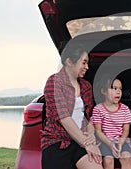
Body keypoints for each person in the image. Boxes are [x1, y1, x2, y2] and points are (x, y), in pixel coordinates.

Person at [41, 38, 103, 169]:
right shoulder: (54, 82)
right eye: (84, 62)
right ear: (69, 61)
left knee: (96, 165)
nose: (87, 67)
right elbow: (64, 118)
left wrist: (91, 135)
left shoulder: (86, 86)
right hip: (57, 142)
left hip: (80, 142)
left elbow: (89, 117)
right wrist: (87, 144)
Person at [91, 75, 131, 169]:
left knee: (126, 158)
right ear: (103, 91)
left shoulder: (125, 109)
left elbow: (126, 130)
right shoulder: (98, 109)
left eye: (120, 89)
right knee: (108, 160)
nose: (118, 91)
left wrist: (121, 143)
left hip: (122, 141)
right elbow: (98, 131)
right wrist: (110, 144)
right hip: (104, 141)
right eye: (114, 88)